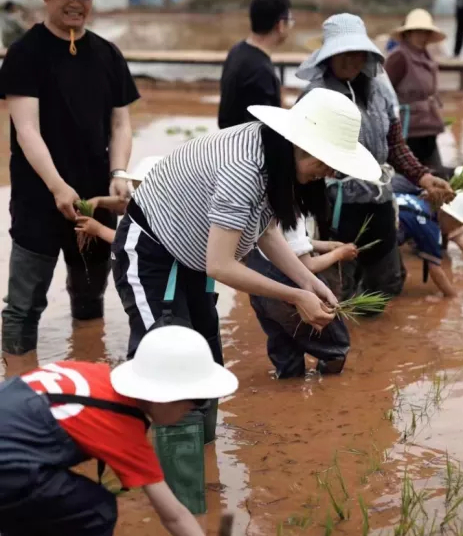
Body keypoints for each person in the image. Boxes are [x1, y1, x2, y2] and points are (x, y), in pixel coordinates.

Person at [112, 87, 380, 510]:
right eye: (323, 160)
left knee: (206, 362)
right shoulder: (245, 168)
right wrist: (296, 295)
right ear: (298, 142)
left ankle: (201, 473)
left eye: (333, 164)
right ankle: (174, 502)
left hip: (195, 255)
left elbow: (265, 231)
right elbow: (223, 266)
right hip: (152, 252)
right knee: (169, 367)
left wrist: (311, 285)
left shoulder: (277, 161)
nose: (326, 171)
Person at [0, 324, 247, 536]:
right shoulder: (121, 425)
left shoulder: (92, 375)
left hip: (14, 455)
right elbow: (173, 515)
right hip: (10, 463)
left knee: (43, 518)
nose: (195, 410)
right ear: (165, 396)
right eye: (197, 401)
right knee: (95, 511)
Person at [0, 0, 139, 357]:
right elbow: (26, 129)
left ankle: (86, 372)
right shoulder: (26, 53)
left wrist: (119, 171)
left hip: (95, 199)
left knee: (90, 297)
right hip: (38, 198)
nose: (75, 1)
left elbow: (121, 123)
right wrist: (58, 186)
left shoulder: (108, 54)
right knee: (23, 308)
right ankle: (16, 388)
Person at [296, 13, 453, 299]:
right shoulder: (315, 97)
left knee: (386, 283)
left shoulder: (378, 91)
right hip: (336, 204)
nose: (351, 61)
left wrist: (424, 176)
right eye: (342, 53)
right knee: (336, 291)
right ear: (327, 56)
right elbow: (298, 158)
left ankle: (377, 341)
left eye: (357, 53)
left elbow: (395, 145)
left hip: (379, 199)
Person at [247, 215, 356, 378]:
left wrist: (328, 245)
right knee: (335, 347)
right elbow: (307, 265)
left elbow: (283, 238)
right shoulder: (292, 209)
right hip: (289, 285)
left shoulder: (264, 202)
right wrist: (339, 254)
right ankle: (328, 394)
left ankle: (289, 389)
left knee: (284, 345)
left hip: (258, 283)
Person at [218, 0, 292, 129]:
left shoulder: (237, 51)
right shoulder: (260, 71)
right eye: (290, 21)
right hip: (246, 149)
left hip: (228, 144)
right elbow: (263, 132)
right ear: (281, 25)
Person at [386, 9, 447, 171]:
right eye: (418, 32)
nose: (422, 36)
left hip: (428, 125)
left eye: (426, 32)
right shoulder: (399, 57)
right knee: (410, 176)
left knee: (436, 174)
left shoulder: (427, 56)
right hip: (408, 129)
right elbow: (384, 90)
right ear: (408, 33)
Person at [396, 190, 463, 298]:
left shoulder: (425, 203)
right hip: (380, 228)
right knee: (394, 279)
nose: (457, 228)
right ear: (449, 215)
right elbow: (435, 270)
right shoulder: (431, 228)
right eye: (458, 224)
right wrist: (453, 296)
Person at [75, 156, 163, 246]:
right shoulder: (148, 205)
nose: (134, 190)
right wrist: (98, 201)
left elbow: (127, 240)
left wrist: (99, 229)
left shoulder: (158, 222)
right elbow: (123, 203)